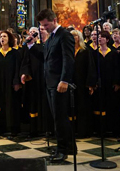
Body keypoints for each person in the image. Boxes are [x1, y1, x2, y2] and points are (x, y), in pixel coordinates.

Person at [25, 9, 75, 162]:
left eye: (46, 25)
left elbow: (68, 59)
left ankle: (62, 150)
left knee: (60, 118)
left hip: (59, 83)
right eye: (42, 25)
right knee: (58, 117)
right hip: (50, 83)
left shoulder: (64, 35)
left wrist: (64, 80)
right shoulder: (51, 38)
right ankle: (70, 146)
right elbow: (44, 58)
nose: (44, 28)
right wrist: (32, 46)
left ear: (54, 20)